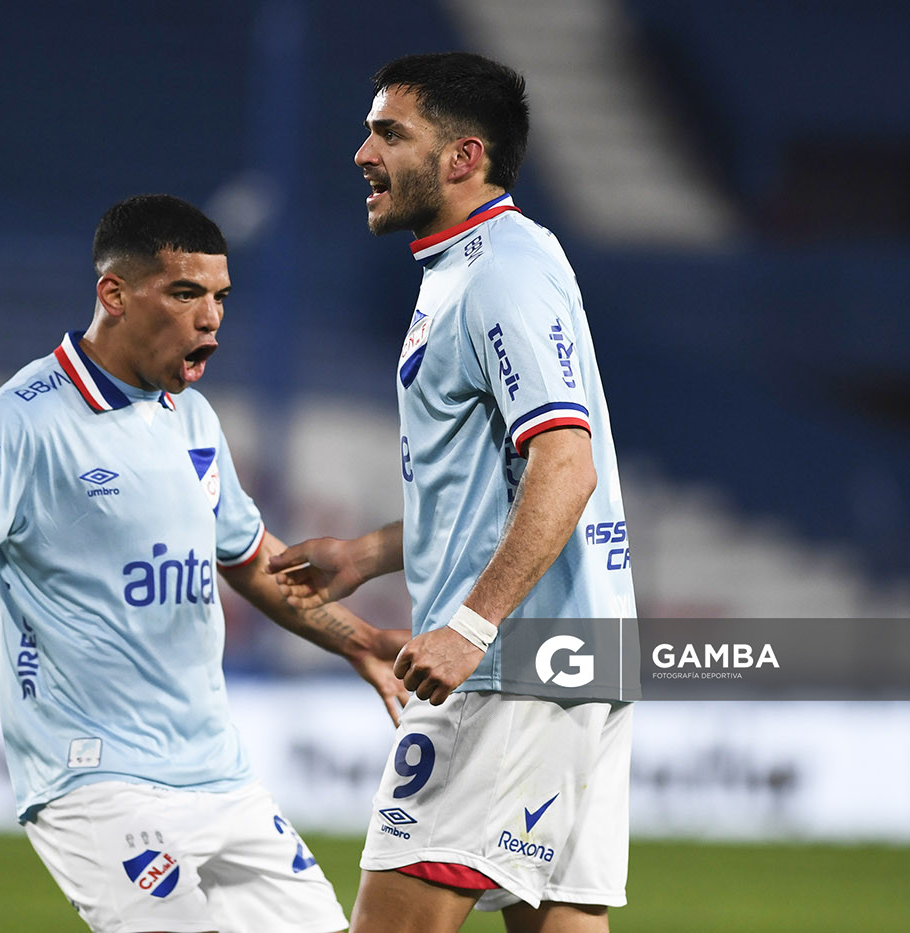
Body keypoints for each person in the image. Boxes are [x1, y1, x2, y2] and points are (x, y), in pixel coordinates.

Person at [0, 194, 409, 933]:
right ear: (113, 294)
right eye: (184, 293)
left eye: (219, 297)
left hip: (219, 772)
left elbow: (251, 561)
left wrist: (359, 639)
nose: (210, 317)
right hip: (96, 775)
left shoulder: (194, 418)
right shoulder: (24, 418)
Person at [268, 54, 637, 933]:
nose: (363, 152)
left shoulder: (501, 270)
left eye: (390, 133)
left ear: (464, 157)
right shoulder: (475, 268)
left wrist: (471, 628)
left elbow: (565, 464)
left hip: (514, 669)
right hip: (574, 658)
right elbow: (497, 483)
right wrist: (366, 553)